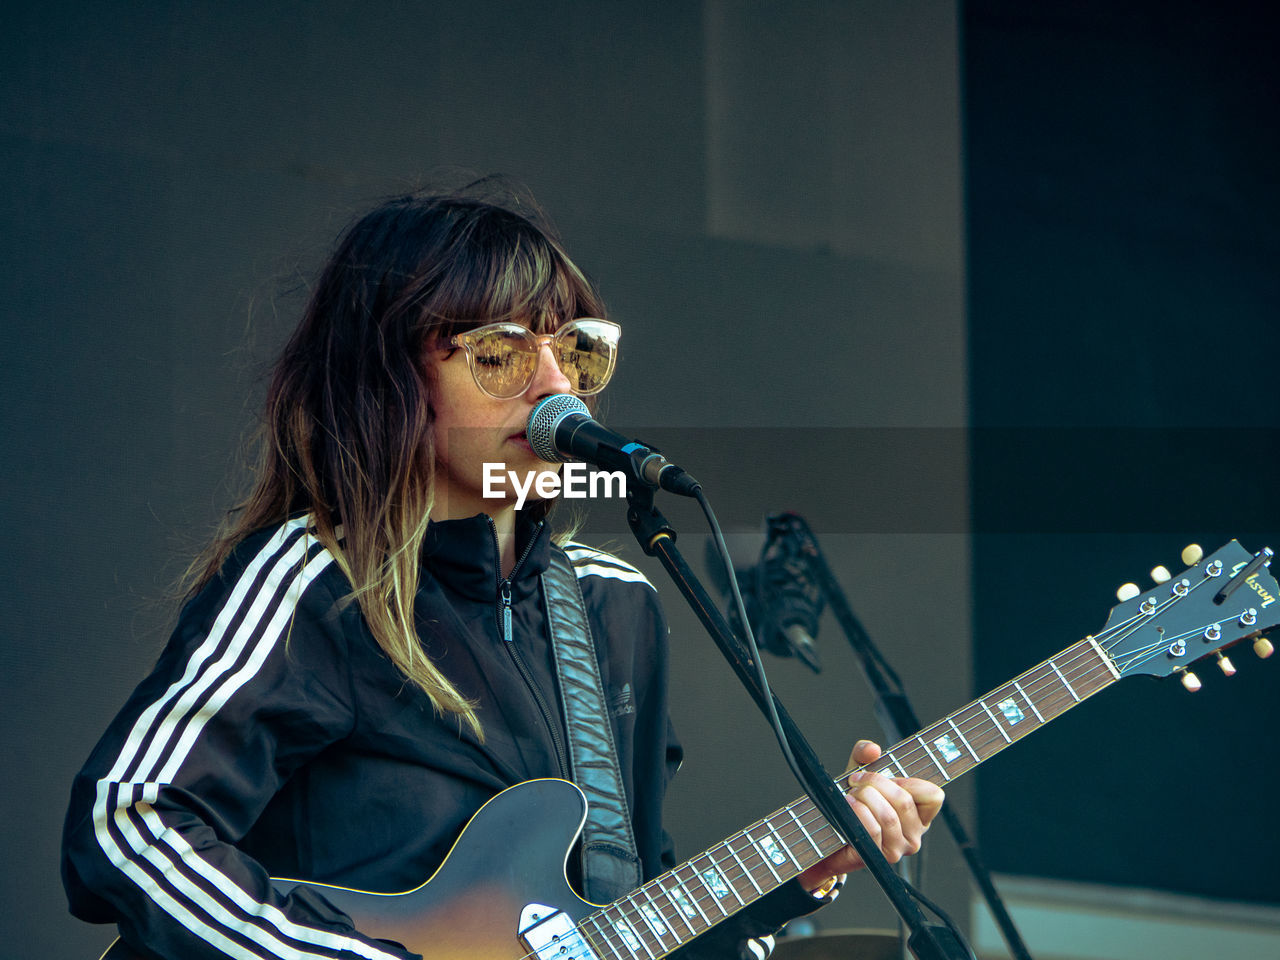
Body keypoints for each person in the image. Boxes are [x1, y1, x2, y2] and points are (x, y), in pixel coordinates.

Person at [61, 183, 944, 960]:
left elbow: (625, 927)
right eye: (501, 354)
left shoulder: (614, 603)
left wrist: (806, 874)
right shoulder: (317, 581)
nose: (557, 388)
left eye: (578, 351)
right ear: (392, 379)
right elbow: (127, 825)